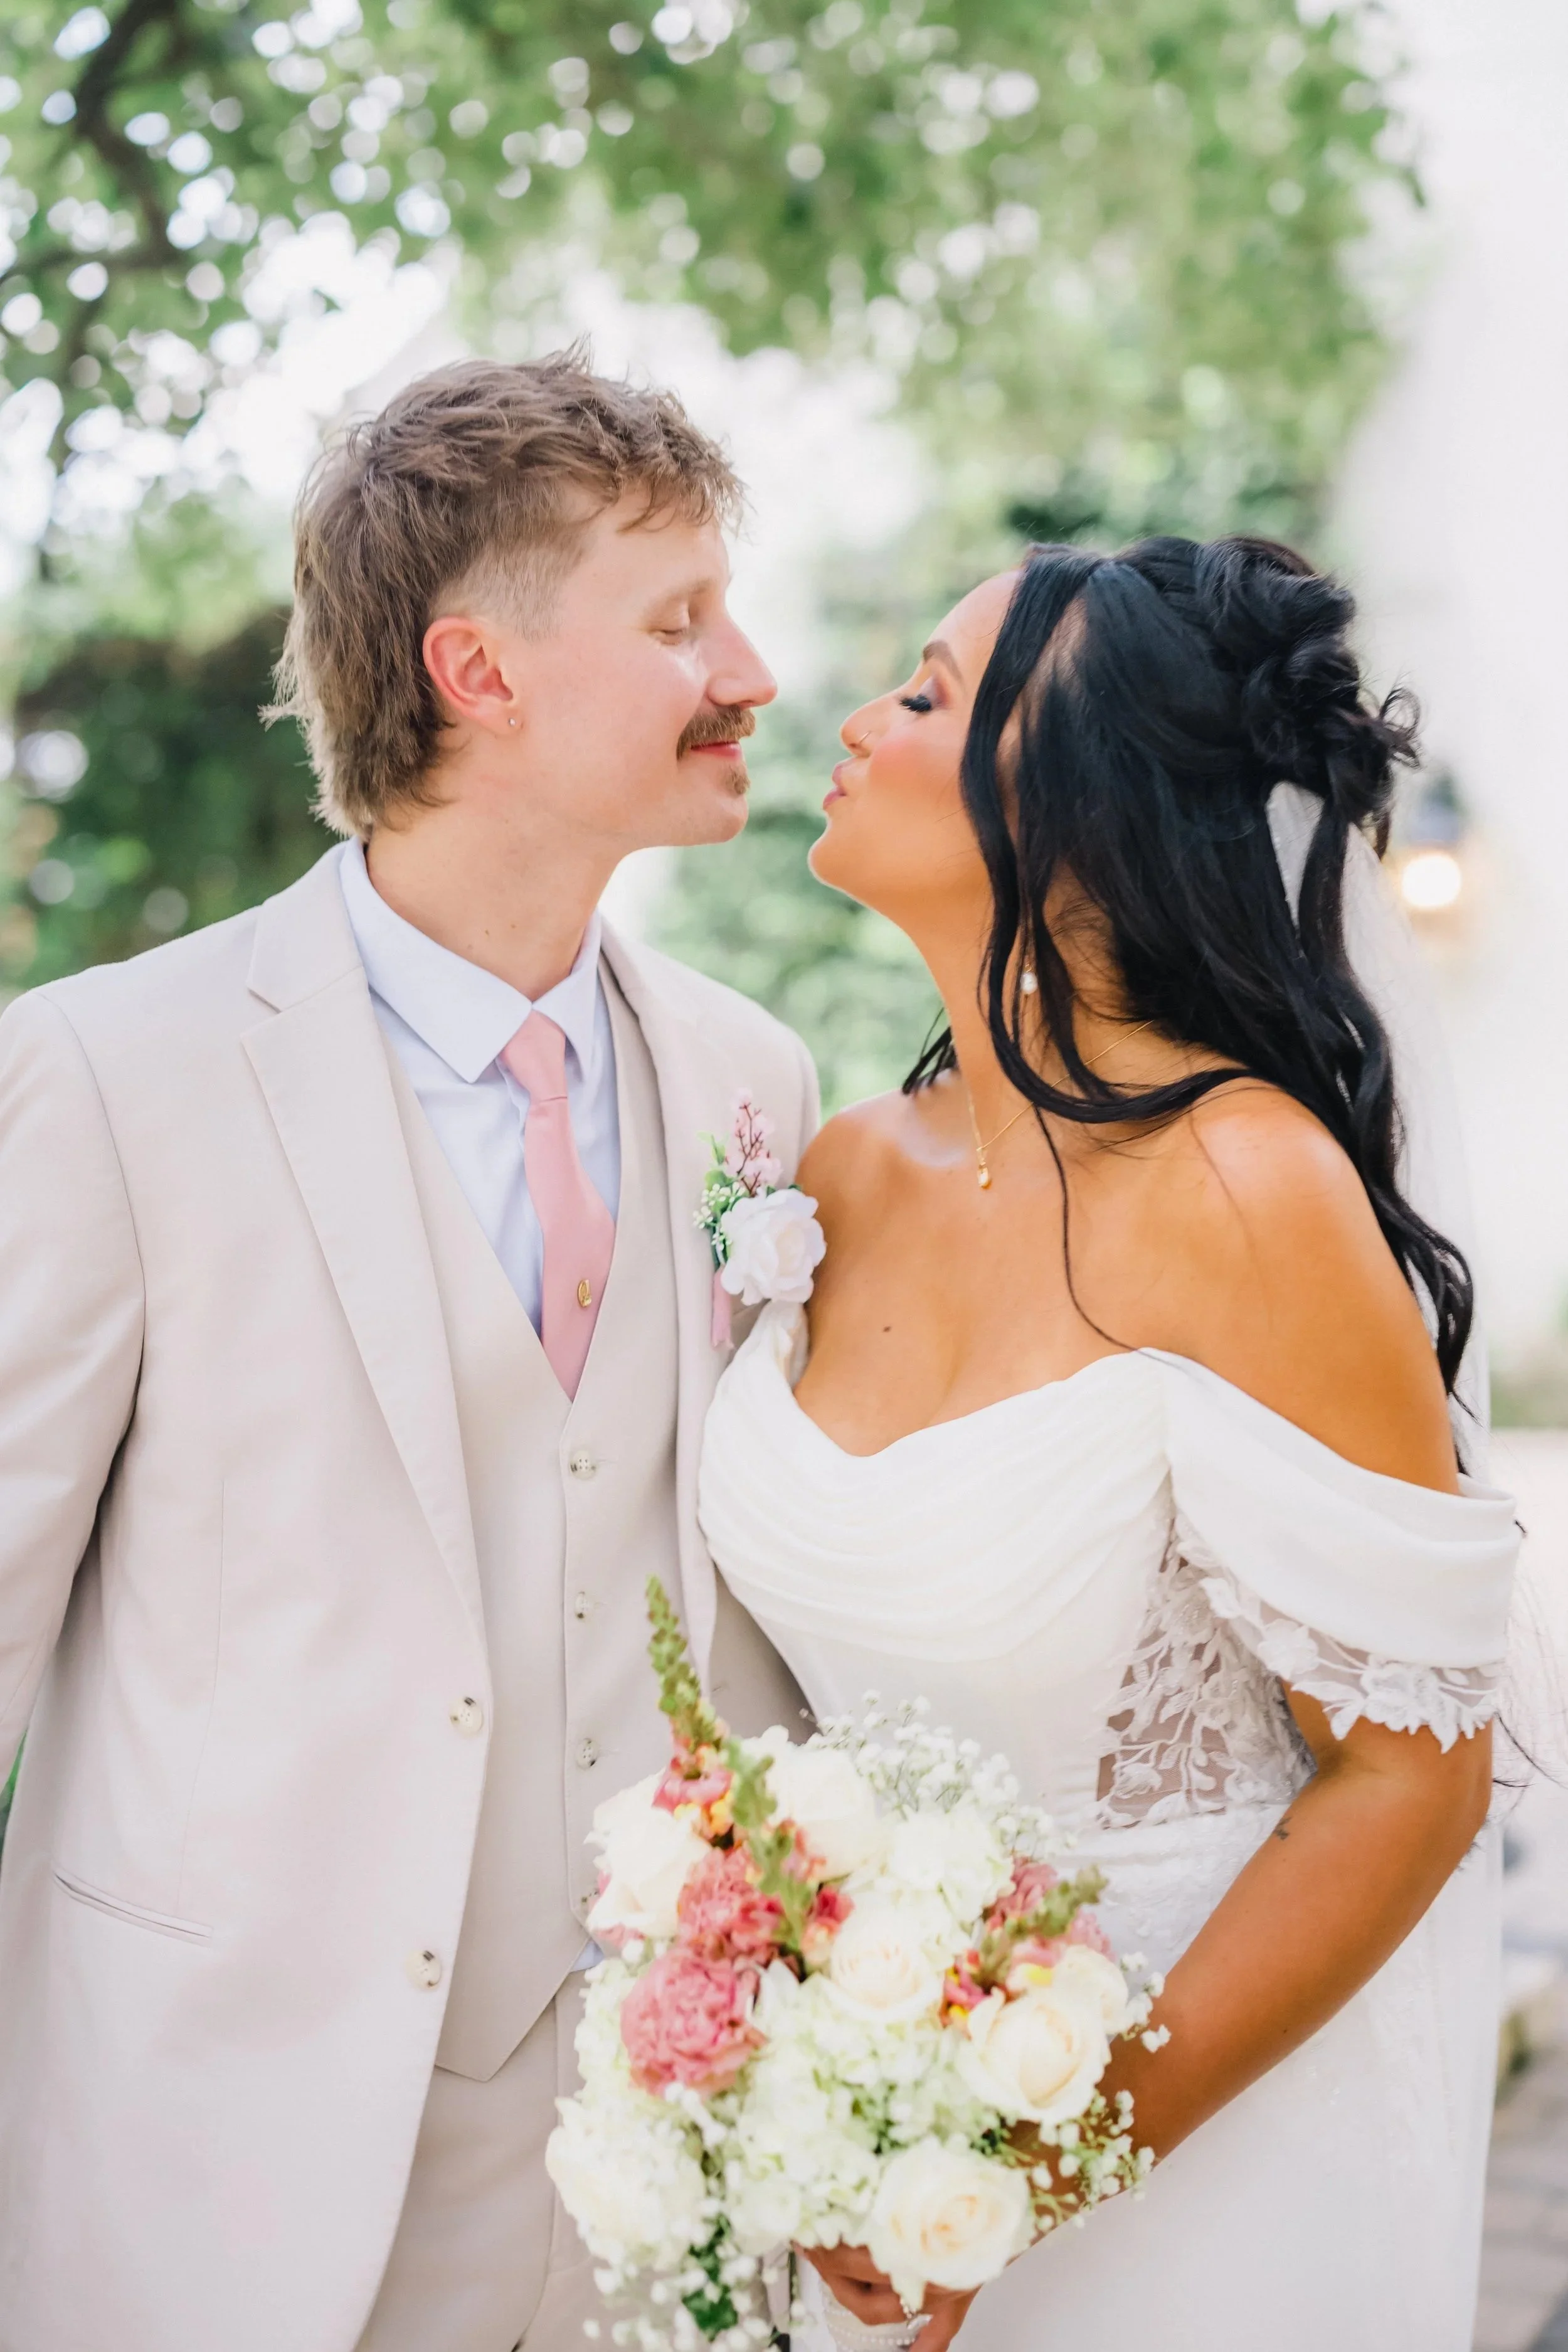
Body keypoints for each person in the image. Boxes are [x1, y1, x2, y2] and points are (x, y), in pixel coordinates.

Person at [0, 355, 817, 2352]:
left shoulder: (752, 1079)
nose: (754, 669)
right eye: (677, 617)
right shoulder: (117, 1074)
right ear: (479, 668)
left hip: (659, 2183)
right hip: (226, 2164)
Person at [699, 536, 1518, 2350]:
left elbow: (1412, 1777)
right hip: (861, 2126)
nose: (847, 718)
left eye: (922, 692)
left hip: (1185, 2137)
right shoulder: (845, 1166)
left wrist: (1023, 2168)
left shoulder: (1245, 1187)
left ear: (1074, 807)